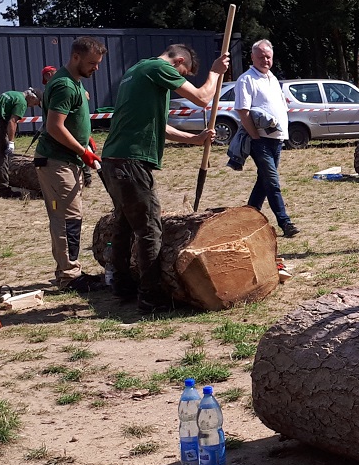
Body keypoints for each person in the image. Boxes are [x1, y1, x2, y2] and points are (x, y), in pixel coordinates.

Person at [99, 44, 228, 312]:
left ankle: (122, 286)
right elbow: (203, 98)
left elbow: (156, 124)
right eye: (184, 72)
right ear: (179, 60)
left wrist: (194, 139)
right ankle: (151, 296)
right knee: (149, 228)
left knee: (123, 224)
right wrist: (215, 73)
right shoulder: (159, 68)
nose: (181, 78)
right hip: (131, 161)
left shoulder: (137, 71)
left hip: (114, 158)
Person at [34, 37, 108, 291]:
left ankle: (69, 271)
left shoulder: (73, 83)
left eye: (98, 63)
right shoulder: (65, 85)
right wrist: (82, 151)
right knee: (67, 218)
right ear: (75, 57)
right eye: (91, 63)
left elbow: (72, 118)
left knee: (71, 216)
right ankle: (69, 277)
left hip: (68, 159)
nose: (95, 68)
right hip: (57, 161)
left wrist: (86, 138)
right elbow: (55, 126)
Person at [234, 39, 298, 237]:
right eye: (261, 56)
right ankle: (285, 223)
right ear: (252, 57)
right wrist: (255, 137)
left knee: (264, 181)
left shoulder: (272, 78)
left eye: (268, 56)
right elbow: (243, 111)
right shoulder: (246, 80)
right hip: (259, 140)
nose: (265, 60)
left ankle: (248, 218)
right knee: (272, 181)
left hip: (276, 139)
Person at [0, 87, 37, 197]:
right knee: (0, 157)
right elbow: (12, 122)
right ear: (32, 97)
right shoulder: (22, 102)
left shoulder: (12, 93)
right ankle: (3, 189)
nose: (32, 106)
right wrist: (11, 142)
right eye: (35, 103)